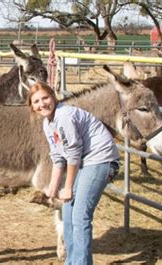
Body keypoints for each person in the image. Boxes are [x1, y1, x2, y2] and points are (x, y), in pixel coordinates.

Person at [27, 81, 120, 265]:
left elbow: (73, 154)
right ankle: (72, 261)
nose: (42, 104)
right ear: (32, 106)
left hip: (101, 159)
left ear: (53, 97)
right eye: (36, 101)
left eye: (45, 98)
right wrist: (52, 189)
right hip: (86, 161)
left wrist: (67, 187)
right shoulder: (48, 123)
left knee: (80, 216)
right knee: (68, 213)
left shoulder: (64, 116)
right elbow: (57, 156)